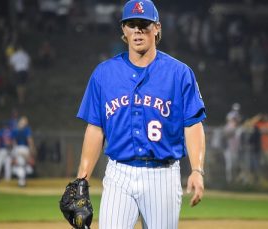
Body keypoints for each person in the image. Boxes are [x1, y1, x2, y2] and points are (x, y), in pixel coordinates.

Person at [76, 1, 206, 228]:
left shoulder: (179, 73)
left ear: (157, 28)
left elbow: (193, 124)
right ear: (123, 30)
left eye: (144, 24)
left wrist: (197, 170)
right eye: (131, 24)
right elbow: (95, 129)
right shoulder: (104, 74)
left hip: (162, 175)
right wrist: (82, 180)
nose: (138, 30)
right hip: (119, 173)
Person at [11, 116, 36, 187]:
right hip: (24, 149)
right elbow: (29, 140)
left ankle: (21, 181)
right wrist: (32, 148)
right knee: (24, 165)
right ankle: (22, 180)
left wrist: (14, 151)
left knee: (20, 165)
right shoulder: (26, 129)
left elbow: (14, 142)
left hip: (17, 148)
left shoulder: (15, 130)